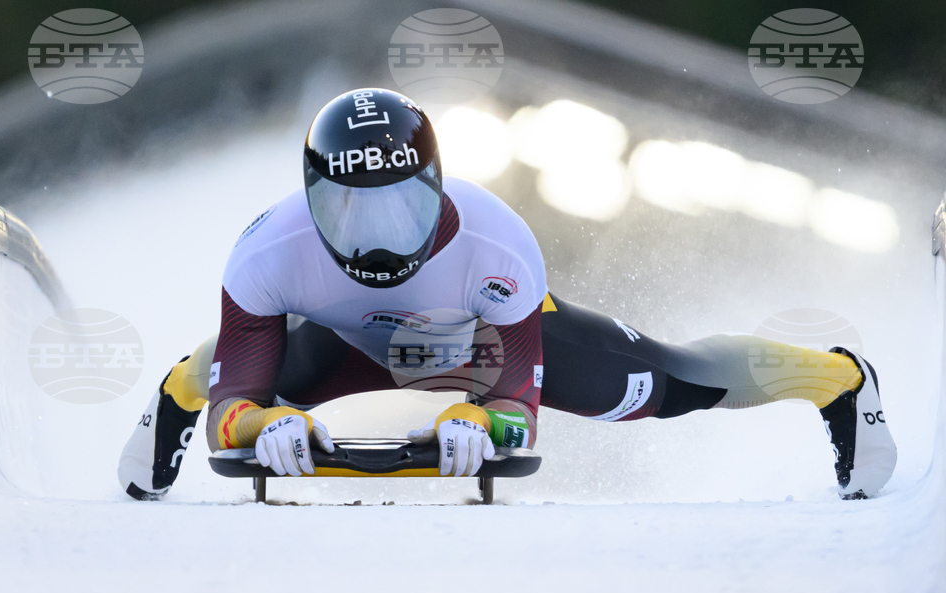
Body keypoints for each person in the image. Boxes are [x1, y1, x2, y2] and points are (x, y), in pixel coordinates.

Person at [117, 88, 897, 502]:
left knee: (669, 381)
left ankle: (838, 378)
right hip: (348, 344)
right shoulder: (264, 252)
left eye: (402, 206)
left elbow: (515, 394)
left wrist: (488, 416)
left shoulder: (500, 245)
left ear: (438, 186)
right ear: (312, 198)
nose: (380, 241)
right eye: (352, 213)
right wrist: (253, 418)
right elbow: (241, 394)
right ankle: (170, 400)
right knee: (224, 363)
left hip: (480, 343)